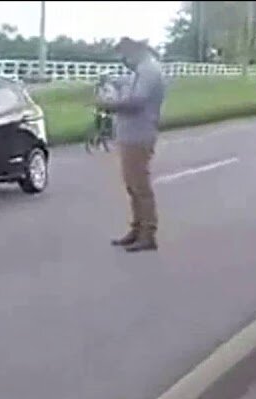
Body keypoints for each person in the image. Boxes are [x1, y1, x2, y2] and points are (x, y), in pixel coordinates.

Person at [98, 37, 167, 253]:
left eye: (124, 54)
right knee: (132, 185)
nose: (123, 59)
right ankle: (138, 228)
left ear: (135, 49)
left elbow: (137, 101)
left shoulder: (149, 70)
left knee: (139, 185)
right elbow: (127, 87)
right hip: (130, 134)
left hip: (139, 133)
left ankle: (147, 233)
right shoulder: (141, 70)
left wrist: (109, 106)